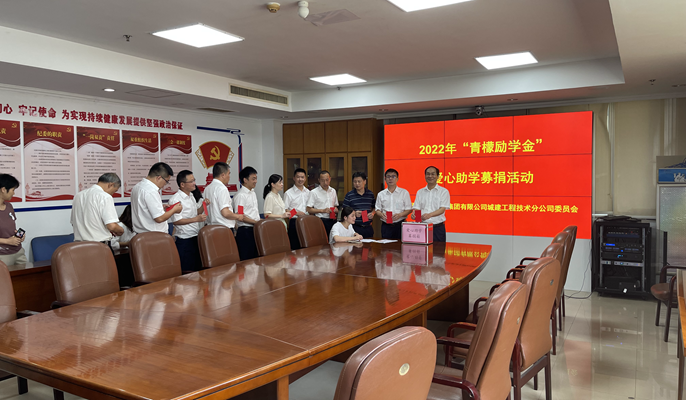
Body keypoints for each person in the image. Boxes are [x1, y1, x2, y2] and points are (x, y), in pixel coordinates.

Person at [71, 173, 124, 246]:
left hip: (79, 245)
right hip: (98, 246)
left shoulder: (78, 196)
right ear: (111, 185)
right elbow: (112, 226)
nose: (112, 194)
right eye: (114, 191)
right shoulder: (105, 197)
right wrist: (121, 231)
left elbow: (73, 223)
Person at [169, 170, 207, 272]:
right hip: (184, 240)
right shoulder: (175, 199)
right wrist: (196, 219)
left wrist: (204, 205)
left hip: (195, 236)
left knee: (197, 269)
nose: (194, 183)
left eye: (194, 180)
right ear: (182, 184)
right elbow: (176, 221)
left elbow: (195, 213)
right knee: (187, 272)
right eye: (191, 181)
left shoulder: (191, 196)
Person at [131, 162, 182, 233]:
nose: (165, 184)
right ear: (159, 178)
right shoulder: (151, 191)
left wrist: (160, 208)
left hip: (141, 234)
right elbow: (159, 218)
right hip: (154, 235)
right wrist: (174, 210)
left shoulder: (137, 187)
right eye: (166, 181)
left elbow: (144, 209)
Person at [413, 166, 450, 242]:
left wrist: (430, 215)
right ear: (425, 176)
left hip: (437, 228)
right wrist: (414, 214)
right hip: (422, 227)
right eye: (428, 174)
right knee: (421, 249)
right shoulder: (420, 192)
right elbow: (417, 208)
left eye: (433, 174)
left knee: (438, 249)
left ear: (438, 176)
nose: (430, 176)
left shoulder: (443, 191)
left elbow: (442, 209)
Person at [204, 162, 244, 230]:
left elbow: (205, 210)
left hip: (211, 227)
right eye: (228, 174)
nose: (229, 177)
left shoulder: (207, 189)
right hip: (224, 228)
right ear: (223, 175)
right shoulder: (222, 188)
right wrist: (238, 216)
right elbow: (225, 213)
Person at [375, 168, 412, 239]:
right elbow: (377, 210)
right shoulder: (381, 194)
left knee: (401, 245)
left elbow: (409, 209)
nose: (390, 179)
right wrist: (381, 214)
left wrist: (400, 215)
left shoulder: (404, 193)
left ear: (397, 179)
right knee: (386, 245)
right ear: (385, 179)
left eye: (393, 176)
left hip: (400, 225)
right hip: (386, 226)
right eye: (388, 176)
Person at [234, 166, 261, 260]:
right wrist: (256, 222)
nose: (255, 181)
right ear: (245, 180)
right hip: (245, 231)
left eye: (256, 178)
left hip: (255, 229)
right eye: (253, 179)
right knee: (246, 260)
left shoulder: (253, 192)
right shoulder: (240, 196)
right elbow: (240, 216)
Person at [0, 174, 26, 265]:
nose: (14, 193)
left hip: (18, 252)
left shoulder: (9, 206)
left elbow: (9, 228)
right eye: (13, 190)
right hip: (3, 255)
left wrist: (19, 236)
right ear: (3, 190)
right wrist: (7, 241)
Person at [342, 172, 376, 238]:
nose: (357, 184)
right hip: (354, 227)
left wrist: (372, 213)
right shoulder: (349, 195)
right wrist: (354, 213)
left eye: (359, 181)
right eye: (355, 182)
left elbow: (375, 207)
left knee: (369, 244)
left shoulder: (370, 194)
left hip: (368, 227)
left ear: (365, 181)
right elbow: (344, 211)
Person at [306, 170, 338, 238]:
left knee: (333, 240)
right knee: (322, 241)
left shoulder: (333, 191)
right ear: (319, 180)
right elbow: (308, 209)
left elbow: (335, 206)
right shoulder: (314, 192)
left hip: (332, 220)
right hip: (320, 220)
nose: (325, 183)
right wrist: (323, 210)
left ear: (330, 179)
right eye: (322, 180)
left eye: (327, 180)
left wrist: (336, 210)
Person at [283, 168, 309, 250]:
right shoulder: (288, 193)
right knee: (295, 247)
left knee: (307, 246)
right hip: (295, 222)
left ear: (305, 178)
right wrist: (296, 213)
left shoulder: (308, 192)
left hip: (307, 221)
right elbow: (285, 209)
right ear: (294, 178)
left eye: (302, 177)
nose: (300, 179)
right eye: (298, 177)